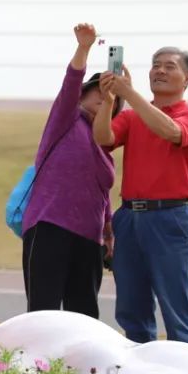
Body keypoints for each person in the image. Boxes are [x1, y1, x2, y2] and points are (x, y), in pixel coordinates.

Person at [94, 48, 188, 345]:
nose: (159, 71)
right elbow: (103, 138)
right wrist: (109, 101)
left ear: (187, 78)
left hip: (170, 217)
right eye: (156, 66)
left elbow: (170, 131)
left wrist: (129, 94)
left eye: (169, 67)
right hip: (129, 217)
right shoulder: (131, 117)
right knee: (132, 307)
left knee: (175, 307)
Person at [22, 23, 121, 318]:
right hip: (50, 225)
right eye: (96, 93)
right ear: (82, 96)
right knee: (44, 311)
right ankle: (38, 365)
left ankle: (80, 367)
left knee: (84, 316)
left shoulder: (106, 145)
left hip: (89, 239)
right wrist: (84, 48)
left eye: (110, 100)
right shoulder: (65, 121)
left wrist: (108, 233)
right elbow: (70, 82)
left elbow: (102, 195)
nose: (103, 100)